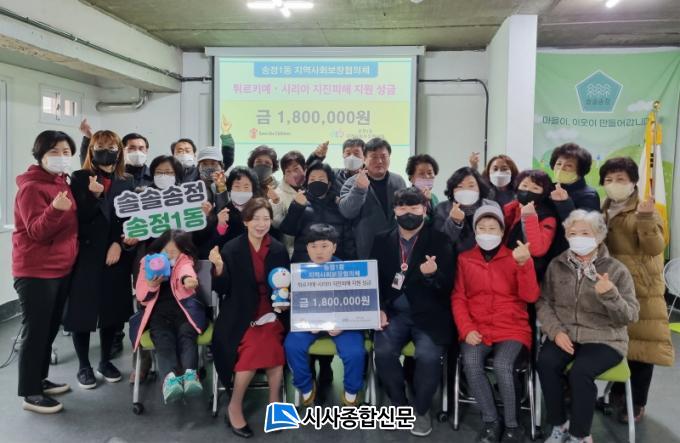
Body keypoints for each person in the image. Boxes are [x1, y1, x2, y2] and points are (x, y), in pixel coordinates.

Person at [537, 210, 639, 443]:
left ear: (599, 237)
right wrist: (555, 331)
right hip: (566, 333)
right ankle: (559, 424)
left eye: (585, 233)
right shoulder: (557, 264)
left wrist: (611, 295)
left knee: (580, 372)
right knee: (546, 362)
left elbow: (630, 316)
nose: (578, 238)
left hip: (605, 338)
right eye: (573, 233)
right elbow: (543, 302)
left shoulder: (616, 269)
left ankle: (580, 434)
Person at [371, 187, 455, 437]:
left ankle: (421, 409)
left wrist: (432, 276)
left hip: (429, 315)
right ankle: (399, 404)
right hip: (393, 314)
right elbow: (373, 280)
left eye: (414, 208)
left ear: (424, 209)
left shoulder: (440, 240)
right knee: (382, 353)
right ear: (394, 211)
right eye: (402, 208)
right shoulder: (381, 240)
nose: (408, 212)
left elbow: (449, 285)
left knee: (428, 357)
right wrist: (379, 308)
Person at [452, 204, 540, 443]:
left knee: (503, 365)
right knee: (471, 362)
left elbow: (531, 296)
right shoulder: (464, 259)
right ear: (475, 231)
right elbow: (459, 298)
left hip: (512, 328)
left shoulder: (515, 257)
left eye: (493, 228)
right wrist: (466, 329)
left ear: (502, 231)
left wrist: (525, 265)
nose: (487, 233)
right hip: (476, 328)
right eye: (482, 228)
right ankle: (491, 421)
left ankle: (513, 426)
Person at [599, 157, 674, 423]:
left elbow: (655, 248)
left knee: (642, 348)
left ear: (633, 182)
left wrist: (644, 217)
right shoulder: (603, 208)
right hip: (612, 286)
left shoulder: (646, 210)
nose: (614, 184)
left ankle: (637, 403)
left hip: (641, 288)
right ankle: (617, 394)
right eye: (609, 179)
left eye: (620, 179)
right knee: (621, 344)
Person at [211, 198, 290, 439]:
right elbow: (222, 289)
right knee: (258, 346)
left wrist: (284, 301)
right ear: (245, 221)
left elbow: (286, 284)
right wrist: (219, 268)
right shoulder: (231, 248)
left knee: (271, 344)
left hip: (273, 311)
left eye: (266, 219)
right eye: (255, 218)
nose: (261, 224)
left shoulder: (278, 248)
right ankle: (236, 405)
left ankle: (273, 402)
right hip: (239, 313)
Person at [64, 130, 136, 390]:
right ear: (92, 150)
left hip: (115, 253)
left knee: (112, 311)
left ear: (119, 151)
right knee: (81, 311)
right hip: (86, 254)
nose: (107, 151)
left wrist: (118, 243)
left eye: (112, 146)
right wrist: (94, 196)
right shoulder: (80, 177)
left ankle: (105, 361)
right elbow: (78, 218)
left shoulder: (127, 180)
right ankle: (84, 365)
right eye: (101, 146)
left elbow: (127, 217)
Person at [12, 131, 78, 413]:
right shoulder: (31, 188)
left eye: (66, 152)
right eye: (54, 151)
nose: (61, 157)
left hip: (60, 268)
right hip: (36, 272)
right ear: (40, 155)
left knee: (50, 329)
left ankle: (40, 380)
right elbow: (37, 231)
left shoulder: (61, 181)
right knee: (36, 332)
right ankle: (30, 394)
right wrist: (54, 209)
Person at [284, 224, 365, 406]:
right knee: (292, 345)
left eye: (324, 246)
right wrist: (307, 322)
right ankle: (305, 385)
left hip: (343, 325)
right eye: (313, 246)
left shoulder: (348, 271)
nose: (319, 251)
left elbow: (357, 303)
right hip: (309, 325)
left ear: (334, 247)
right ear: (307, 248)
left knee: (355, 352)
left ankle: (351, 390)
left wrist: (343, 324)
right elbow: (298, 307)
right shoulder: (299, 273)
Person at [132, 230, 209, 403]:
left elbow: (185, 271)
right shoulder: (147, 263)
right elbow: (141, 296)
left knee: (187, 336)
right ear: (159, 248)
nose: (170, 255)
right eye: (166, 251)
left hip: (184, 311)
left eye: (175, 251)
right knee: (163, 340)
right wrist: (152, 285)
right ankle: (170, 379)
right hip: (158, 314)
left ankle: (190, 375)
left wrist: (187, 280)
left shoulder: (184, 261)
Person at [338, 137, 407, 258]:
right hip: (366, 248)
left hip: (396, 246)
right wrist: (359, 189)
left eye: (383, 156)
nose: (379, 161)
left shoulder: (398, 181)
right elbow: (347, 212)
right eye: (374, 157)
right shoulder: (352, 182)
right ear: (364, 159)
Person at [279, 161, 356, 263]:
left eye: (321, 179)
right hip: (304, 264)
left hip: (335, 264)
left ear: (329, 183)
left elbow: (348, 240)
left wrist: (349, 263)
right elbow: (288, 230)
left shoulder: (339, 204)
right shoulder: (300, 202)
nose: (316, 182)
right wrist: (297, 206)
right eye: (312, 179)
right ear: (307, 182)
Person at [503, 169, 557, 281]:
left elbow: (537, 250)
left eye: (535, 188)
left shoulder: (547, 217)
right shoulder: (511, 209)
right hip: (505, 268)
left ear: (543, 193)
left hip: (528, 273)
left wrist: (529, 217)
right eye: (524, 185)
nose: (528, 190)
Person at [547, 143, 600, 255]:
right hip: (545, 252)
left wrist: (565, 203)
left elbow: (584, 228)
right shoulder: (548, 188)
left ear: (580, 170)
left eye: (569, 165)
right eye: (558, 163)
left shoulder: (589, 195)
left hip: (569, 255)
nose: (561, 168)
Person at [433, 166, 498, 253]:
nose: (466, 190)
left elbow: (498, 235)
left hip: (485, 257)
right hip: (453, 258)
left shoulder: (492, 207)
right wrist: (454, 222)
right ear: (452, 189)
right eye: (460, 186)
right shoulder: (441, 209)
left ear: (479, 187)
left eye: (471, 186)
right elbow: (440, 242)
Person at [79, 119, 152, 189]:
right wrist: (89, 138)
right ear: (122, 150)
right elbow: (88, 159)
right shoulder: (110, 169)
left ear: (147, 151)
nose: (137, 152)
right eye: (132, 148)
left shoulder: (154, 176)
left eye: (141, 148)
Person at [170, 116, 235, 183]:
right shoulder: (191, 176)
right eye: (204, 164)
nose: (209, 167)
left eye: (213, 163)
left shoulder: (224, 180)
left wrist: (226, 134)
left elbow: (228, 156)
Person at [271, 150, 307, 255]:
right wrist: (276, 202)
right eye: (288, 171)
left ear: (304, 169)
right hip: (292, 252)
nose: (293, 174)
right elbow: (276, 224)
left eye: (296, 169)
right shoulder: (278, 194)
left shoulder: (313, 187)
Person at [405, 154, 440, 221]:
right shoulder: (405, 198)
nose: (427, 176)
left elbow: (438, 220)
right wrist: (424, 201)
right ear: (411, 178)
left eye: (429, 173)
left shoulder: (434, 197)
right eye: (421, 173)